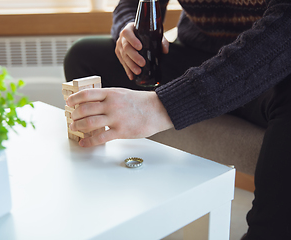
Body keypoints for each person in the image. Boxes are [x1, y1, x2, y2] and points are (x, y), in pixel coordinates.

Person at [63, 0, 291, 239]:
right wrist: (130, 28)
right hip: (196, 56)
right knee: (83, 57)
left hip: (270, 68)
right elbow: (132, 4)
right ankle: (116, 194)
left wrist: (162, 106)